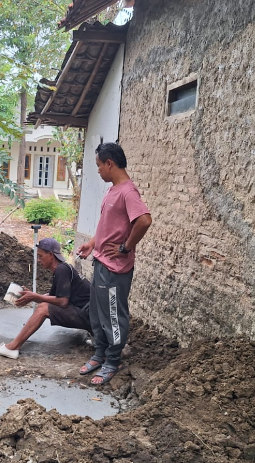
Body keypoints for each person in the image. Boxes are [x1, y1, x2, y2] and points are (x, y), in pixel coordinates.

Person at [76, 142, 152, 385]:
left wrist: (125, 248)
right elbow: (110, 226)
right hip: (101, 262)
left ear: (110, 163)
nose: (98, 170)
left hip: (116, 269)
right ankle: (100, 353)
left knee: (113, 315)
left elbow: (144, 221)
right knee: (98, 314)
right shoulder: (112, 190)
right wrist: (93, 243)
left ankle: (113, 360)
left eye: (99, 165)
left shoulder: (128, 192)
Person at [0, 238, 92, 359]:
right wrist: (31, 296)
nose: (39, 260)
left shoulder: (62, 270)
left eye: (40, 256)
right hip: (89, 315)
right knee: (44, 305)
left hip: (89, 317)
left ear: (51, 255)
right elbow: (53, 297)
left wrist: (36, 297)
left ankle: (12, 347)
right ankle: (96, 338)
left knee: (43, 309)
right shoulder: (63, 268)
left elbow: (62, 302)